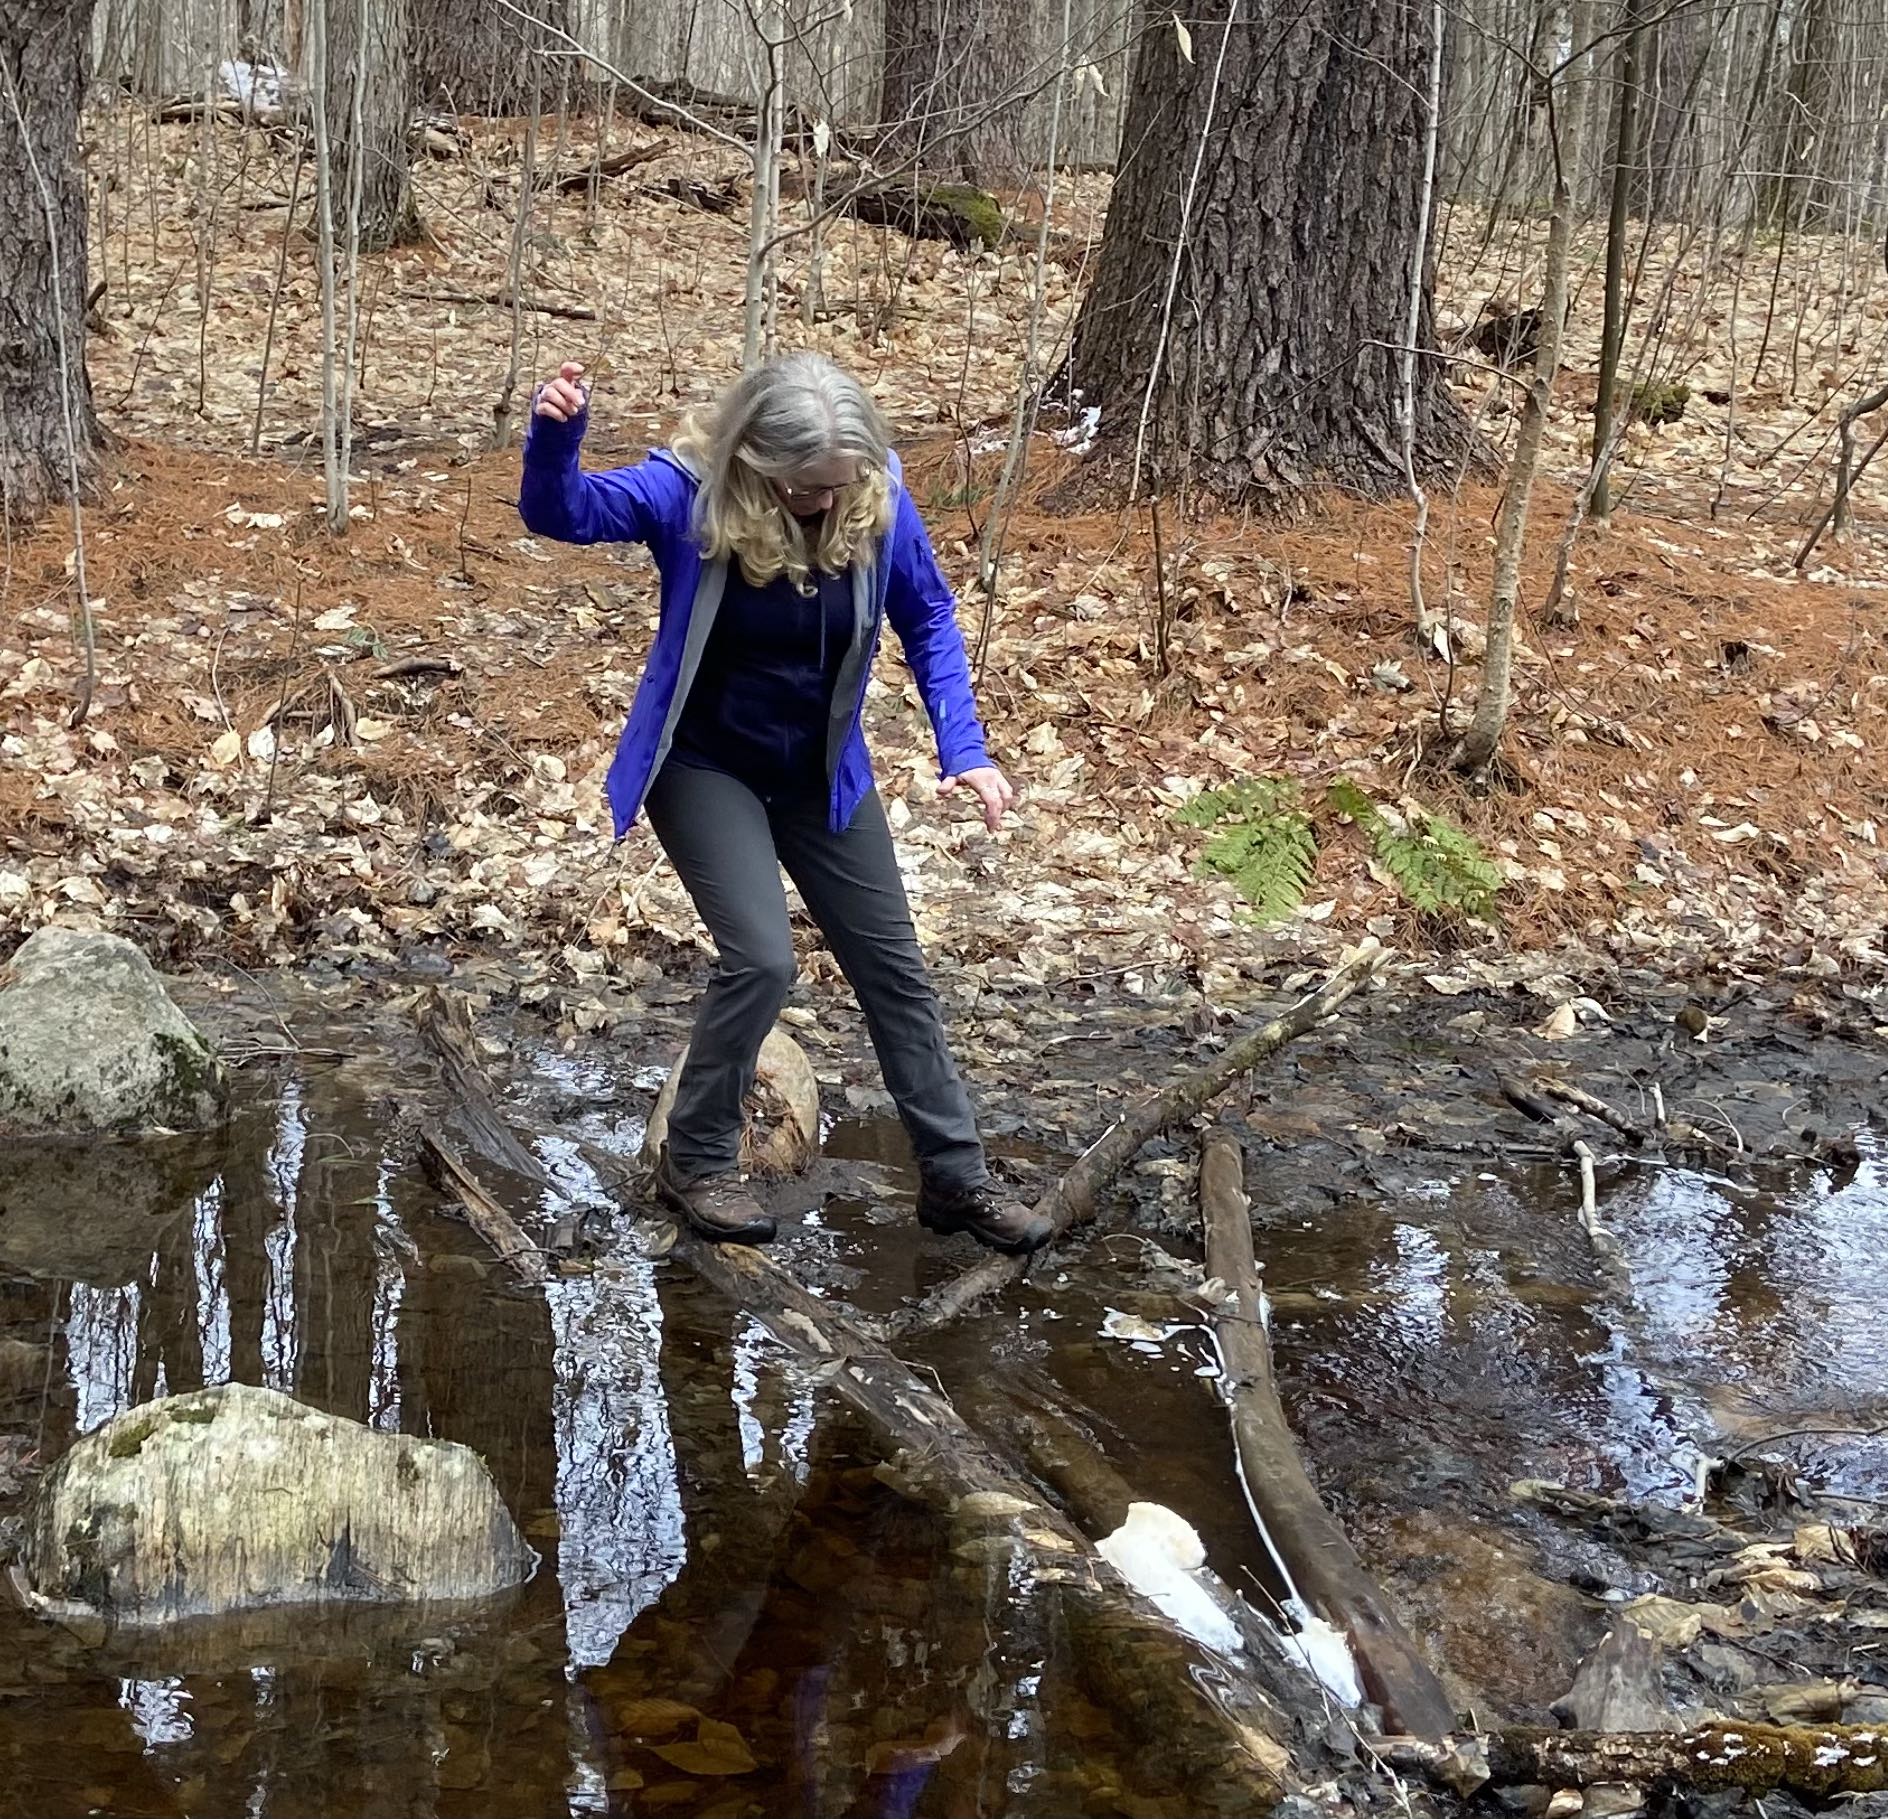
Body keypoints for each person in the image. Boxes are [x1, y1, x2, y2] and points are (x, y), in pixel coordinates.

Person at [519, 352, 1052, 1257]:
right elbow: (561, 512)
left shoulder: (873, 493)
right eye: (808, 488)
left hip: (823, 771)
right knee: (763, 958)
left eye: (842, 486)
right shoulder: (685, 492)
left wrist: (965, 748)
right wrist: (556, 436)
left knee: (896, 970)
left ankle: (955, 1178)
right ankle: (694, 1158)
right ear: (757, 464)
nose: (828, 504)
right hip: (705, 765)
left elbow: (927, 616)